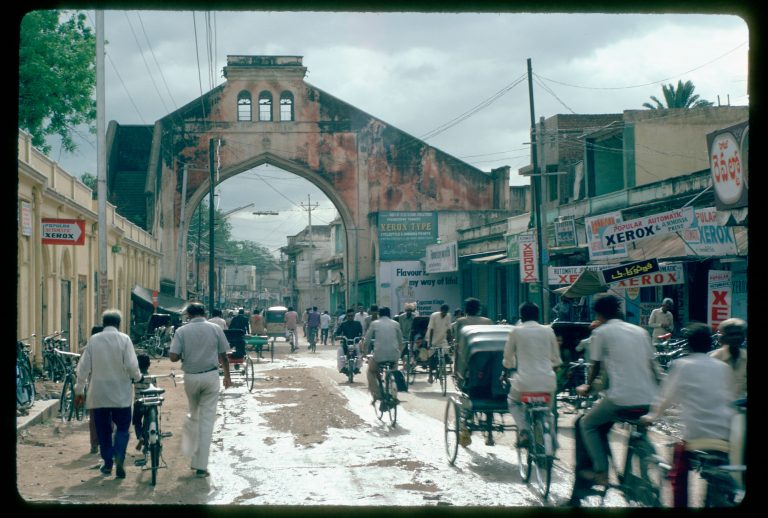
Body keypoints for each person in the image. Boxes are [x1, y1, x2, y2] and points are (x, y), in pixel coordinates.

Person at [567, 294, 659, 504]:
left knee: (587, 424)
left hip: (620, 399)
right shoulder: (640, 331)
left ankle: (601, 472)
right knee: (638, 429)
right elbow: (653, 366)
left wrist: (587, 387)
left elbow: (596, 366)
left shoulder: (601, 332)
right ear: (618, 310)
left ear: (598, 314)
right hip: (649, 398)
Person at [640, 323, 734, 508]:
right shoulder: (722, 367)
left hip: (695, 436)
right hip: (724, 435)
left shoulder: (682, 365)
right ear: (710, 345)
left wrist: (650, 416)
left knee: (678, 475)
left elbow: (665, 398)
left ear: (688, 345)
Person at [74, 309, 143, 479]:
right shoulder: (124, 339)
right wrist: (138, 377)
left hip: (99, 394)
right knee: (122, 428)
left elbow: (83, 369)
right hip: (121, 394)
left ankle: (107, 463)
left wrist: (79, 390)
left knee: (103, 430)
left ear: (103, 323)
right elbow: (132, 366)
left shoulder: (94, 340)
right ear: (118, 324)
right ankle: (120, 453)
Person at [169, 302, 232, 478]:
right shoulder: (215, 329)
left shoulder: (181, 331)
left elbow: (173, 357)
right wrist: (227, 377)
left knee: (194, 414)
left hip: (191, 377)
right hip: (211, 377)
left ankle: (190, 449)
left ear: (189, 315)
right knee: (206, 421)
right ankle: (200, 467)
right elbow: (223, 356)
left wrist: (184, 354)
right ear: (204, 313)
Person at [502, 302, 562, 448]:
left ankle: (523, 430)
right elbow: (556, 360)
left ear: (521, 316)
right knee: (549, 412)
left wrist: (504, 373)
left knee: (513, 402)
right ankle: (552, 439)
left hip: (524, 383)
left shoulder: (516, 331)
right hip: (548, 382)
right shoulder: (549, 331)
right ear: (538, 316)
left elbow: (508, 359)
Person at [363, 307, 403, 411]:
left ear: (379, 314)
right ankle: (393, 391)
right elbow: (401, 342)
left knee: (370, 371)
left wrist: (365, 352)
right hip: (394, 356)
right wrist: (400, 353)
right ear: (389, 314)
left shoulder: (374, 324)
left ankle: (378, 395)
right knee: (394, 370)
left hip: (379, 356)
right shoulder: (396, 324)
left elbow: (366, 341)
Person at [709, 317, 747, 399]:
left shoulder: (745, 357)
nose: (736, 337)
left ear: (743, 336)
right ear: (723, 338)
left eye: (738, 334)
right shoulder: (714, 358)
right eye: (731, 335)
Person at [453, 297, 493, 371]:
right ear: (479, 309)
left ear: (466, 309)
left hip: (466, 358)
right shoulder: (488, 321)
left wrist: (456, 366)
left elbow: (457, 344)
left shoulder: (461, 321)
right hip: (486, 359)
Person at [86, 325, 104, 455]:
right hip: (110, 388)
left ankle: (94, 444)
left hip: (94, 388)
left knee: (94, 418)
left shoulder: (88, 349)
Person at [425, 304, 452, 384]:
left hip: (442, 338)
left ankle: (443, 365)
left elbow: (449, 329)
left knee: (446, 350)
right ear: (440, 310)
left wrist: (451, 340)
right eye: (443, 312)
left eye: (446, 312)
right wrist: (430, 343)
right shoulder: (434, 316)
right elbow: (431, 329)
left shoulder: (448, 316)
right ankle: (430, 375)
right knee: (431, 355)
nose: (444, 314)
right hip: (432, 338)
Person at [131, 353, 152, 453]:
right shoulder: (152, 377)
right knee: (147, 424)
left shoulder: (136, 378)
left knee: (137, 423)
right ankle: (146, 445)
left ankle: (140, 437)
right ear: (149, 365)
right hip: (149, 403)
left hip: (138, 403)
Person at [335, 308, 364, 373]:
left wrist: (361, 337)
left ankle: (357, 368)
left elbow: (361, 333)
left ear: (354, 316)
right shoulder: (343, 324)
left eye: (352, 316)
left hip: (355, 343)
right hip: (345, 343)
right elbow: (337, 333)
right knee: (340, 350)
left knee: (359, 352)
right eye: (349, 316)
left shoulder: (357, 323)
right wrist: (337, 337)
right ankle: (342, 368)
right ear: (346, 316)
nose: (350, 317)